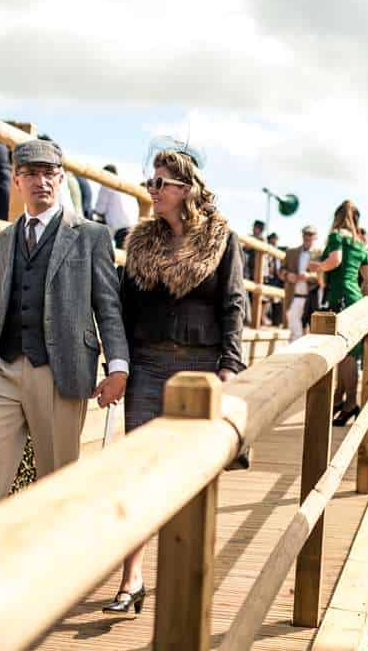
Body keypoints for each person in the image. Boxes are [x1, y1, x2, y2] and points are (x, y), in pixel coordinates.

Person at [106, 147, 246, 614]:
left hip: (200, 368)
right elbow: (124, 308)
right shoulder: (140, 241)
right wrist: (119, 365)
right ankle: (131, 579)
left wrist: (229, 367)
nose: (152, 190)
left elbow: (234, 304)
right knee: (137, 472)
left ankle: (187, 575)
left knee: (191, 475)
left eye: (160, 183)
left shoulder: (222, 239)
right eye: (150, 182)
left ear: (185, 189)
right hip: (147, 365)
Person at [0, 138, 128, 507]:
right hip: (2, 369)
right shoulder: (3, 240)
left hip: (60, 371)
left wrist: (118, 367)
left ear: (61, 179)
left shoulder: (91, 236)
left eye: (49, 173)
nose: (40, 181)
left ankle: (55, 544)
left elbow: (108, 307)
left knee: (56, 484)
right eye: (31, 173)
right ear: (16, 180)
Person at [308, 200, 368, 426]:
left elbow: (335, 260)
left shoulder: (336, 236)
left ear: (337, 217)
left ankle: (350, 404)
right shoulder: (360, 244)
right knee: (350, 354)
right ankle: (342, 401)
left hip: (340, 297)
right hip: (354, 297)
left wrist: (317, 266)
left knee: (346, 355)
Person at [281, 225, 318, 341]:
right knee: (295, 332)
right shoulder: (291, 252)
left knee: (309, 333)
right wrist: (287, 275)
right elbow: (281, 271)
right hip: (293, 297)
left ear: (315, 237)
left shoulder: (320, 254)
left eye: (310, 234)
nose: (307, 237)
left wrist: (309, 276)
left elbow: (324, 276)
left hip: (311, 298)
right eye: (305, 234)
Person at [92, 163, 139, 247]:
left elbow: (99, 210)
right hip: (133, 227)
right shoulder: (125, 185)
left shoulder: (107, 184)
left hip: (120, 229)